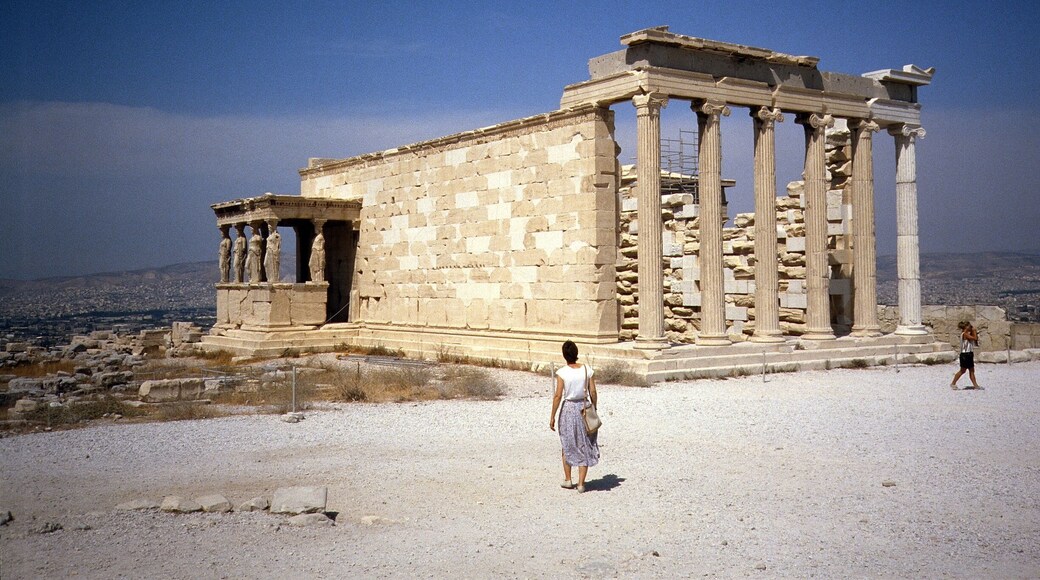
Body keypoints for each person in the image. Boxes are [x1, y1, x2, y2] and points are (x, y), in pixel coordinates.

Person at [549, 340, 599, 492]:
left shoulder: (562, 373)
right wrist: (594, 407)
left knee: (567, 442)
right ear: (576, 353)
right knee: (584, 443)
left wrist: (552, 415)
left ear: (564, 355)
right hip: (583, 407)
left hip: (569, 409)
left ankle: (568, 479)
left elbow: (558, 396)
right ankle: (581, 484)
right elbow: (593, 391)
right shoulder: (587, 370)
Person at [951, 320, 981, 390]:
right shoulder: (965, 334)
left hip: (969, 354)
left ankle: (975, 385)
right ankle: (953, 383)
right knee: (962, 371)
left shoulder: (967, 334)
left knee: (972, 370)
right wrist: (974, 331)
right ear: (966, 327)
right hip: (965, 355)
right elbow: (974, 338)